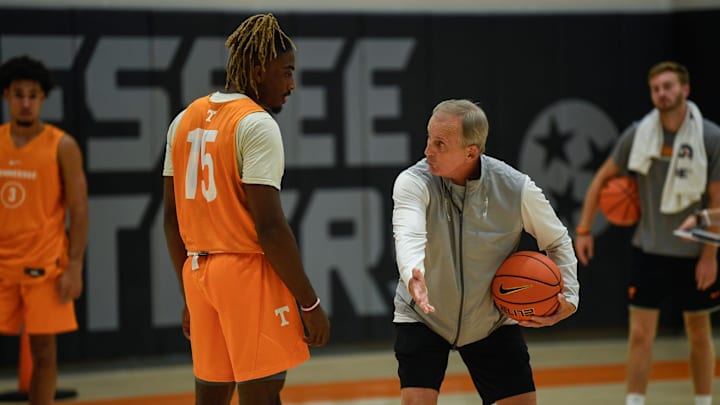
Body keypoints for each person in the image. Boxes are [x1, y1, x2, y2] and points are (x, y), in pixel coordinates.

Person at [162, 13, 330, 405]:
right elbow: (270, 228)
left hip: (198, 272)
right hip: (244, 274)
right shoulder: (256, 124)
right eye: (285, 72)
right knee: (264, 395)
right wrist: (310, 302)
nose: (291, 84)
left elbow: (171, 219)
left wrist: (189, 293)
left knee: (212, 396)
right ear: (258, 71)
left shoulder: (182, 119)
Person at [391, 99, 579, 405]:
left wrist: (570, 295)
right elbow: (408, 232)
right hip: (423, 315)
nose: (427, 151)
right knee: (416, 400)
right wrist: (414, 274)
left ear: (471, 151)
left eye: (440, 143)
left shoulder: (515, 187)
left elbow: (556, 240)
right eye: (429, 138)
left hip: (491, 319)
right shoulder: (412, 181)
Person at [575, 61, 720, 405]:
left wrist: (710, 256)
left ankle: (703, 401)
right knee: (640, 334)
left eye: (668, 86)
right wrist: (583, 230)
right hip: (649, 249)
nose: (662, 94)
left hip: (694, 253)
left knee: (698, 334)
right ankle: (634, 401)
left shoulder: (710, 137)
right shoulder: (639, 133)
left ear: (685, 90)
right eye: (656, 88)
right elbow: (600, 180)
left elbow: (717, 200)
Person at [0, 56, 88, 405]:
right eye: (18, 94)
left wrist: (75, 265)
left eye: (32, 95)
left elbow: (79, 210)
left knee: (44, 353)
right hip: (2, 266)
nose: (25, 102)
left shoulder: (61, 146)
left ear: (42, 98)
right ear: (6, 95)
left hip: (45, 265)